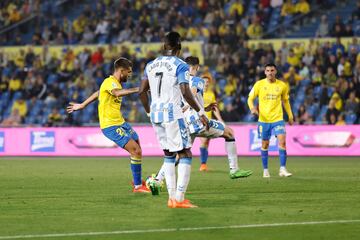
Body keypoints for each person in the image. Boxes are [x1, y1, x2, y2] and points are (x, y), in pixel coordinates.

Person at [153, 56, 252, 184]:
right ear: (197, 67)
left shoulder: (177, 81)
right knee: (230, 133)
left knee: (179, 154)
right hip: (198, 121)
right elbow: (192, 93)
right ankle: (234, 169)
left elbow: (186, 98)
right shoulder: (198, 80)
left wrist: (205, 107)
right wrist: (193, 108)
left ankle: (157, 179)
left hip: (183, 123)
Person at [139, 32, 208, 208]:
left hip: (156, 115)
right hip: (172, 114)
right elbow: (185, 90)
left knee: (169, 154)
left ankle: (172, 198)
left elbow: (141, 92)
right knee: (185, 153)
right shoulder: (181, 65)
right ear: (179, 47)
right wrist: (200, 111)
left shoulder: (151, 65)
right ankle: (179, 198)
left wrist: (148, 112)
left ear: (164, 46)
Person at [66, 57, 150, 193]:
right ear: (121, 71)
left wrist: (83, 104)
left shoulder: (112, 84)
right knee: (136, 151)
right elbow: (116, 93)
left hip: (121, 122)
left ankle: (137, 180)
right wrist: (139, 89)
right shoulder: (109, 82)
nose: (129, 75)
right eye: (128, 72)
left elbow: (98, 92)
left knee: (137, 144)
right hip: (111, 126)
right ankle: (138, 187)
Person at [247, 63, 294, 178]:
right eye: (268, 70)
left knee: (282, 142)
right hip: (264, 120)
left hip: (278, 119)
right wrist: (252, 108)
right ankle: (265, 170)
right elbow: (250, 98)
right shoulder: (259, 84)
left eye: (272, 70)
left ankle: (282, 169)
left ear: (275, 71)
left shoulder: (282, 85)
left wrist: (290, 116)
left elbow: (286, 101)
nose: (270, 73)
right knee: (265, 144)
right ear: (265, 72)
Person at [197, 73, 221, 171]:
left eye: (207, 82)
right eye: (204, 81)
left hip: (209, 121)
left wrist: (220, 119)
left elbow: (215, 108)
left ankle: (204, 164)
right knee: (203, 142)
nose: (206, 83)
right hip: (199, 121)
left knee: (206, 143)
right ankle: (202, 164)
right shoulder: (197, 92)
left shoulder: (211, 94)